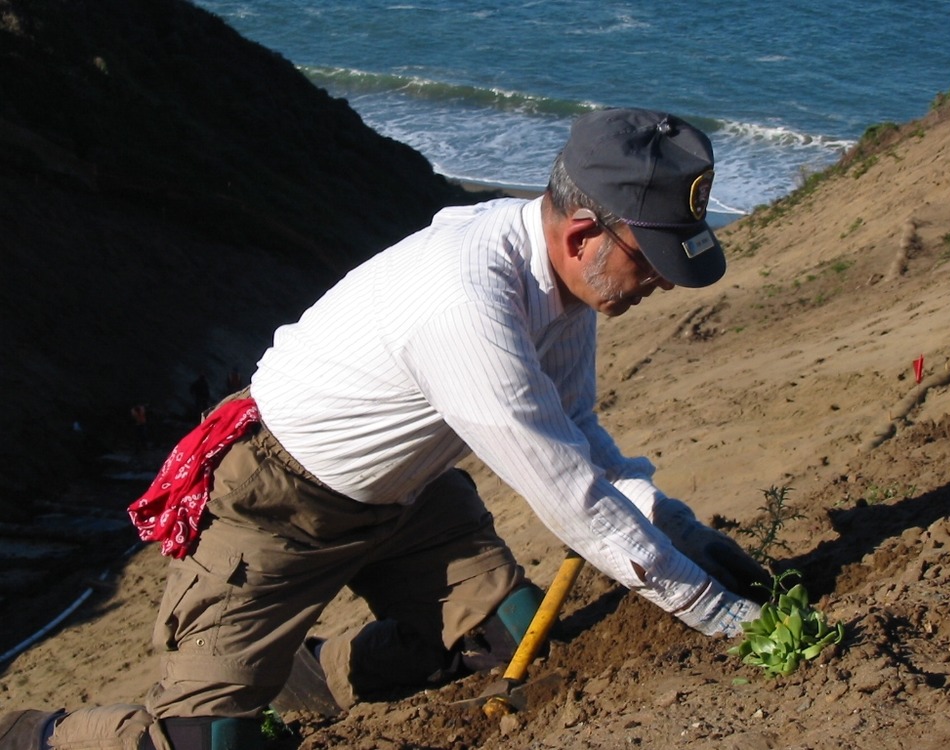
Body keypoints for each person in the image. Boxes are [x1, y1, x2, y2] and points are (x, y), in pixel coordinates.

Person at [0, 108, 769, 750]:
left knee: (519, 639)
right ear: (580, 234)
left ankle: (318, 669)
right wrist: (716, 613)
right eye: (653, 260)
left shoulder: (566, 290)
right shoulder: (466, 304)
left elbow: (578, 435)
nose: (664, 281)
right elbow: (569, 495)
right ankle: (36, 732)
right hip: (272, 502)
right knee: (211, 745)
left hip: (411, 498)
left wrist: (680, 532)